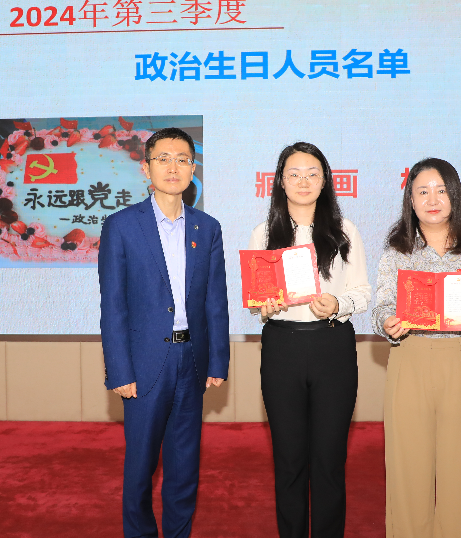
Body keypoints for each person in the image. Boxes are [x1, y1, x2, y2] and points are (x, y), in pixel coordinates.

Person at [99, 127, 229, 538]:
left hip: (191, 360)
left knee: (184, 467)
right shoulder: (121, 226)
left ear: (193, 168)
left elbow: (215, 300)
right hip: (144, 363)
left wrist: (218, 360)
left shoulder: (207, 227)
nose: (173, 167)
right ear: (147, 168)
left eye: (183, 159)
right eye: (163, 159)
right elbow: (113, 305)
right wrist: (119, 370)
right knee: (140, 468)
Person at [371, 157, 461, 538]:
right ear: (411, 201)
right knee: (408, 467)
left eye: (441, 190)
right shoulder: (396, 252)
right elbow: (381, 307)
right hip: (410, 357)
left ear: (455, 197)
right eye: (423, 191)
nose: (432, 200)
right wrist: (387, 321)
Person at [247, 142, 372, 538]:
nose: (304, 181)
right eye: (294, 174)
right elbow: (255, 301)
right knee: (288, 461)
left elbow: (363, 292)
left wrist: (338, 303)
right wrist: (264, 306)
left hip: (332, 347)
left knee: (329, 460)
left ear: (325, 181)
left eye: (312, 173)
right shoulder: (264, 233)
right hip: (282, 347)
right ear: (280, 182)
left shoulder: (345, 231)